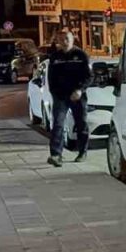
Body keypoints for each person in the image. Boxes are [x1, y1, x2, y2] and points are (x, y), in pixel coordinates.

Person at [45, 31, 91, 166]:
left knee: (81, 123)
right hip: (60, 96)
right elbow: (51, 78)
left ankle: (82, 152)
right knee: (58, 124)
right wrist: (55, 94)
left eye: (67, 38)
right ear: (58, 41)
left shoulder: (81, 55)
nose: (64, 41)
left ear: (72, 39)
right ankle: (55, 154)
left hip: (77, 95)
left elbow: (89, 76)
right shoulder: (55, 57)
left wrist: (80, 90)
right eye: (61, 39)